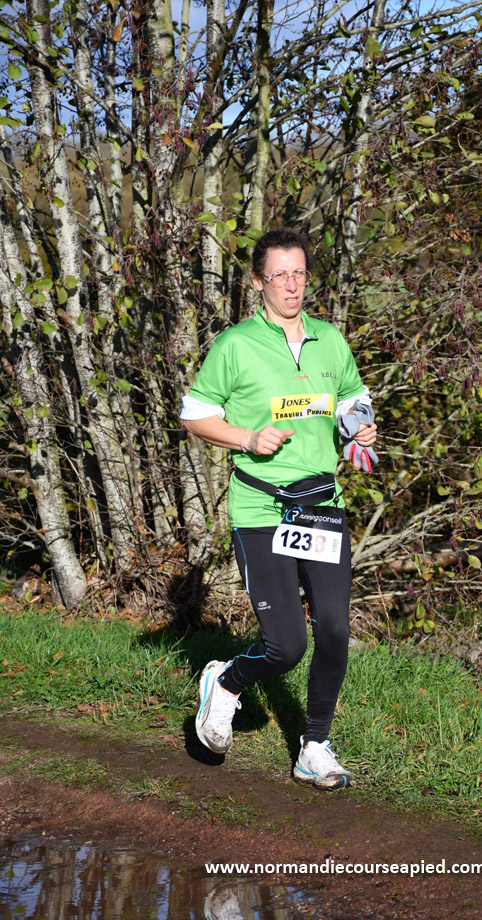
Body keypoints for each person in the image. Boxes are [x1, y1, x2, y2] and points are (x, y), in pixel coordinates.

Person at [181, 228, 377, 790]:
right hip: (262, 509)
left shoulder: (329, 339)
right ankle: (226, 682)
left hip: (321, 506)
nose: (292, 286)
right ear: (258, 282)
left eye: (299, 274)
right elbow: (194, 414)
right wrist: (246, 438)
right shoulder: (235, 344)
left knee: (334, 630)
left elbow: (352, 397)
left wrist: (358, 428)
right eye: (280, 275)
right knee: (287, 647)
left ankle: (314, 747)